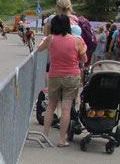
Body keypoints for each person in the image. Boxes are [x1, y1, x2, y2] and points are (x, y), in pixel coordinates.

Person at [38, 14, 87, 147]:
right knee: (66, 109)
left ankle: (45, 136)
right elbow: (84, 59)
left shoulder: (51, 39)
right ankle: (61, 139)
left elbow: (39, 48)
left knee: (51, 106)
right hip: (71, 76)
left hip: (54, 75)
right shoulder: (76, 41)